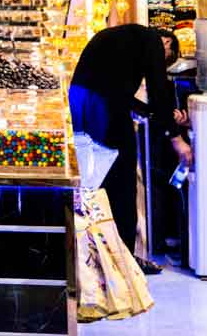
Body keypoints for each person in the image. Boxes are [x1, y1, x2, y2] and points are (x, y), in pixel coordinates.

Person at [68, 23, 177, 267]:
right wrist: (175, 136)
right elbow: (159, 89)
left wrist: (151, 113)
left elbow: (120, 92)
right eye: (166, 59)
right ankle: (122, 259)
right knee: (122, 181)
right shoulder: (152, 40)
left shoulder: (124, 37)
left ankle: (96, 252)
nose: (161, 62)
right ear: (167, 43)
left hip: (81, 100)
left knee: (95, 178)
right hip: (102, 107)